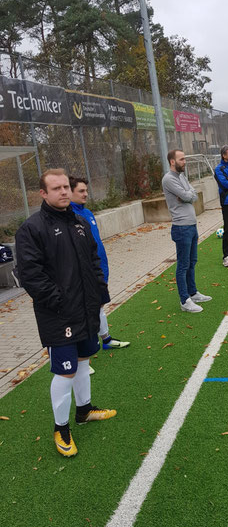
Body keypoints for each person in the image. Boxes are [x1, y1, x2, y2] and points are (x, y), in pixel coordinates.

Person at [15, 168, 117, 458]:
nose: (63, 192)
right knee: (65, 370)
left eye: (65, 187)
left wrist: (99, 293)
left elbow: (94, 261)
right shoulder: (32, 228)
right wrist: (58, 300)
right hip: (58, 314)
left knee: (84, 360)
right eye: (56, 188)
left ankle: (84, 410)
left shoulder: (80, 222)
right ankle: (61, 428)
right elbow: (30, 275)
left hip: (86, 309)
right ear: (43, 194)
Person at [69, 176, 130, 366]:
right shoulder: (68, 216)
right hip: (84, 274)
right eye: (81, 191)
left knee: (100, 305)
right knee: (85, 311)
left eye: (86, 190)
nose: (85, 193)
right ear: (70, 192)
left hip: (100, 269)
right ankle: (81, 361)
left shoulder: (87, 213)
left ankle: (106, 339)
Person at [162, 149, 212, 313]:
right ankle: (184, 300)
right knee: (183, 265)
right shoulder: (168, 179)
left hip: (191, 225)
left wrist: (187, 195)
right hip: (181, 228)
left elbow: (193, 195)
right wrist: (187, 195)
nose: (185, 162)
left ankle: (193, 293)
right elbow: (186, 195)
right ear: (172, 162)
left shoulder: (181, 177)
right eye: (182, 159)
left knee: (192, 262)